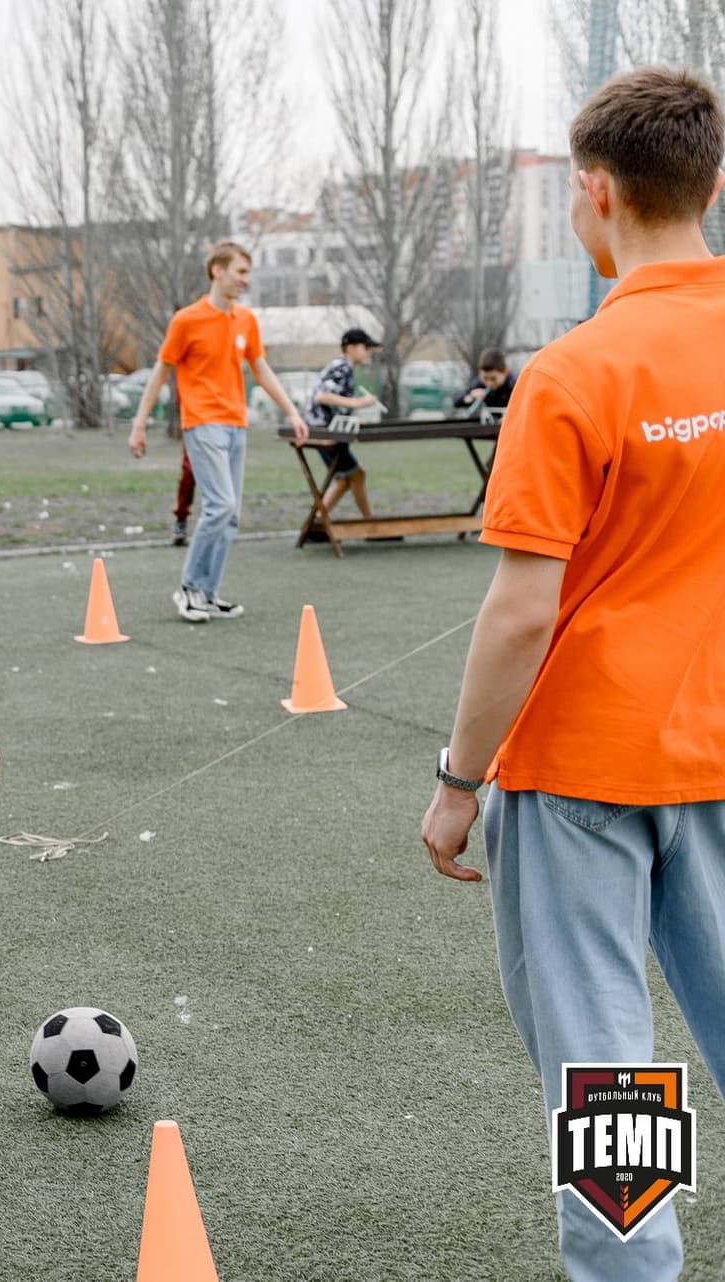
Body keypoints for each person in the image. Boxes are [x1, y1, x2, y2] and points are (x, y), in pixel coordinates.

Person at [420, 67, 725, 1282]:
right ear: (712, 184)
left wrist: (458, 780)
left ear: (593, 193)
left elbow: (519, 614)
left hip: (582, 773)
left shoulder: (573, 371)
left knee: (609, 1069)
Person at [128, 241, 310, 622]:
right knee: (220, 505)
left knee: (231, 514)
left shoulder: (246, 320)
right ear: (217, 271)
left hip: (235, 425)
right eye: (240, 272)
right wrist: (139, 423)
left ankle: (208, 594)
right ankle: (189, 588)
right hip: (202, 423)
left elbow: (261, 370)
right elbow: (160, 372)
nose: (245, 280)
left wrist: (292, 411)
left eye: (247, 273)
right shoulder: (186, 320)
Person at [304, 328, 384, 523]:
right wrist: (359, 403)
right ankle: (369, 523)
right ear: (351, 348)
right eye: (366, 347)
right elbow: (322, 396)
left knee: (346, 477)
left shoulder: (341, 367)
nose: (369, 352)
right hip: (324, 431)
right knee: (355, 474)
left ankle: (318, 520)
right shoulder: (342, 367)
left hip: (325, 428)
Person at [452, 347, 518, 414]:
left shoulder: (515, 384)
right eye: (485, 378)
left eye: (493, 378)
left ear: (505, 371)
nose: (489, 383)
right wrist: (471, 396)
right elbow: (456, 402)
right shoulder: (480, 383)